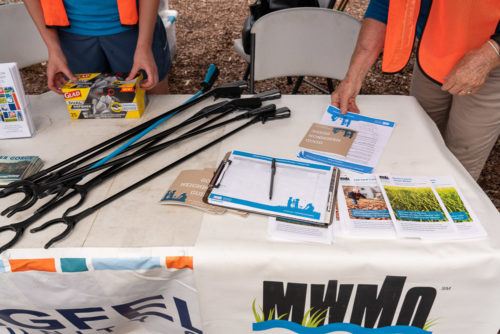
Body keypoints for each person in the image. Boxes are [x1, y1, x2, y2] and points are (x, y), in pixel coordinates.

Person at [331, 0, 500, 180]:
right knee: (419, 138)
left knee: (460, 159)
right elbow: (385, 6)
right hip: (432, 51)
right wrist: (353, 77)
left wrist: (491, 54)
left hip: (490, 63)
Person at [24, 0, 170, 95]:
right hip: (71, 37)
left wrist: (144, 46)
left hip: (136, 28)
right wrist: (53, 48)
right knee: (89, 111)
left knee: (154, 104)